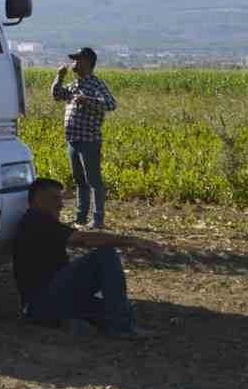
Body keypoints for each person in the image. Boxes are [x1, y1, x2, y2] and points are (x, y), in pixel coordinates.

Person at [12, 177, 162, 339]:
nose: (61, 205)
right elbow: (84, 240)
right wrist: (132, 241)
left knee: (113, 308)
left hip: (47, 300)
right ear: (39, 199)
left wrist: (130, 249)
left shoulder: (40, 223)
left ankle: (67, 321)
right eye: (55, 199)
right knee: (105, 255)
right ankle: (121, 328)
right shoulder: (37, 221)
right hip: (40, 302)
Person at [52, 46, 117, 228]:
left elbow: (111, 104)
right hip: (73, 140)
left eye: (77, 60)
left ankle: (97, 219)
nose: (74, 63)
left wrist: (88, 100)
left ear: (87, 63)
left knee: (94, 181)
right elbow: (57, 95)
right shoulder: (74, 84)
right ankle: (81, 218)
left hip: (89, 140)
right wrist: (60, 76)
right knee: (80, 181)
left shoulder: (96, 84)